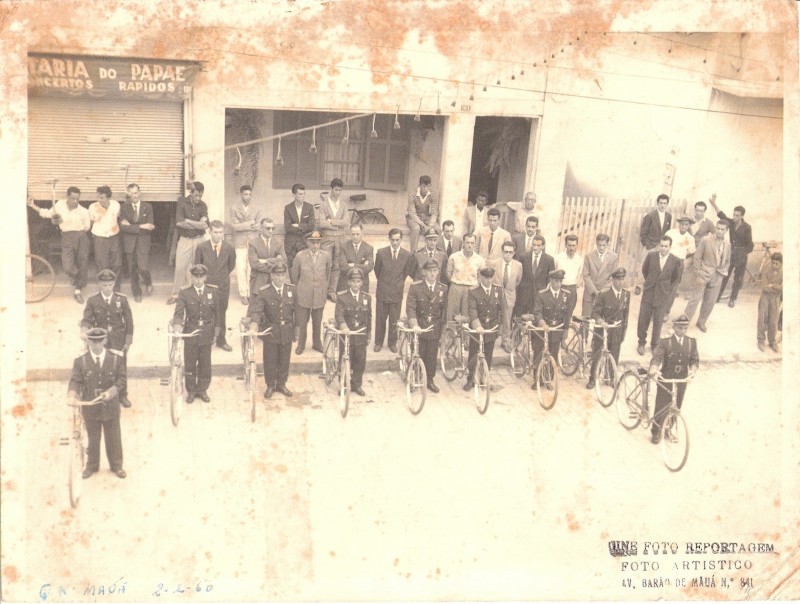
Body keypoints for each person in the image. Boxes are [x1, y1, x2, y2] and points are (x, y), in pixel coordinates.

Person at [68, 327, 127, 479]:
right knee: (92, 439)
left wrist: (111, 392)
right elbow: (75, 381)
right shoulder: (80, 361)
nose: (96, 345)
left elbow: (121, 380)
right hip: (91, 406)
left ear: (105, 341)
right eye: (92, 342)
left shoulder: (116, 359)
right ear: (87, 342)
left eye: (99, 342)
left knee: (113, 437)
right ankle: (92, 466)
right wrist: (72, 395)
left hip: (110, 406)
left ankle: (117, 466)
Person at [81, 269, 133, 408]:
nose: (107, 288)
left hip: (118, 340)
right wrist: (84, 331)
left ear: (114, 284)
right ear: (99, 285)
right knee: (104, 367)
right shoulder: (93, 301)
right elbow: (87, 319)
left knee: (121, 367)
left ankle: (122, 395)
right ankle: (105, 395)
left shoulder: (121, 300)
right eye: (104, 285)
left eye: (110, 285)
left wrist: (128, 341)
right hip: (101, 340)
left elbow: (129, 321)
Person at [28, 186, 90, 303]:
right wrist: (32, 205)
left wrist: (78, 235)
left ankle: (78, 290)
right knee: (67, 266)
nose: (75, 201)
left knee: (83, 262)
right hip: (66, 236)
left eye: (77, 199)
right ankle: (78, 277)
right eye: (73, 198)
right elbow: (46, 214)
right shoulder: (60, 205)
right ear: (67, 196)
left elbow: (87, 227)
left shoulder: (83, 211)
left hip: (81, 236)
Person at [171, 264, 223, 403]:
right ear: (191, 277)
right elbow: (179, 313)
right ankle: (191, 390)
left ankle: (202, 389)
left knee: (205, 363)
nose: (198, 280)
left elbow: (218, 314)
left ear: (205, 277)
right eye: (195, 277)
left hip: (207, 332)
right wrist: (177, 326)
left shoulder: (213, 292)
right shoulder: (185, 293)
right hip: (191, 332)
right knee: (190, 363)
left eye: (201, 277)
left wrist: (217, 332)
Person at [648, 314, 699, 444]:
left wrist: (692, 370)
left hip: (682, 378)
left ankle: (668, 428)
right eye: (680, 328)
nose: (683, 331)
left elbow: (694, 359)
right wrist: (654, 368)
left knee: (677, 404)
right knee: (662, 403)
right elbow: (657, 357)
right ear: (674, 327)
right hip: (667, 377)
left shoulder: (691, 342)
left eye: (685, 328)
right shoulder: (666, 341)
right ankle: (656, 430)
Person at [248, 264, 295, 398]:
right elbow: (257, 311)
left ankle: (281, 384)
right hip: (271, 330)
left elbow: (295, 312)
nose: (280, 278)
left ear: (285, 276)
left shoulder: (291, 290)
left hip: (286, 330)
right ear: (271, 276)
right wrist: (254, 325)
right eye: (276, 275)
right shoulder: (264, 292)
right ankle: (270, 385)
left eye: (282, 275)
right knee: (270, 359)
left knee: (284, 359)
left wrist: (296, 331)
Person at [405, 259, 448, 393]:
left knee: (431, 355)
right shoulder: (415, 287)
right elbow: (410, 308)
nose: (432, 274)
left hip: (434, 327)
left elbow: (444, 311)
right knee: (417, 353)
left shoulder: (442, 288)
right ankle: (414, 378)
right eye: (429, 271)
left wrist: (443, 331)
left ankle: (429, 379)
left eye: (435, 271)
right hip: (420, 325)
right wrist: (414, 324)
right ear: (424, 272)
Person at [194, 220, 236, 352]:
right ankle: (205, 340)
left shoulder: (229, 247)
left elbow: (231, 265)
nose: (219, 235)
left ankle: (221, 340)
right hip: (207, 286)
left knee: (221, 312)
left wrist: (220, 277)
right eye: (216, 232)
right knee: (205, 312)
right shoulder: (201, 247)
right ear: (209, 232)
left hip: (222, 286)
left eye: (221, 232)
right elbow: (198, 266)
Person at [637, 236, 682, 355]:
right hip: (649, 292)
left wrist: (666, 289)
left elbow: (675, 279)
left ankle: (654, 344)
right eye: (661, 245)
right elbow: (644, 270)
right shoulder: (651, 256)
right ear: (659, 245)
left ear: (670, 247)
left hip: (662, 295)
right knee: (643, 319)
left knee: (658, 321)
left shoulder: (675, 260)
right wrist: (650, 283)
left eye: (666, 246)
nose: (663, 248)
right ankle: (641, 342)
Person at [587, 267, 630, 389]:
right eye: (618, 280)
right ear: (613, 280)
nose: (620, 282)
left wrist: (623, 332)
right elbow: (594, 313)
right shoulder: (604, 294)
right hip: (603, 329)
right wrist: (601, 321)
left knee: (614, 355)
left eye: (622, 279)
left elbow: (625, 315)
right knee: (597, 354)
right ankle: (593, 378)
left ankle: (610, 378)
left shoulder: (626, 294)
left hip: (616, 330)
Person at [683, 221, 731, 332]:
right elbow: (697, 257)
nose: (719, 231)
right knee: (694, 300)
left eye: (722, 229)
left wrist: (722, 273)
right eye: (717, 228)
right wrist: (698, 272)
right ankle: (684, 324)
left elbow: (728, 260)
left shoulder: (727, 244)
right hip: (703, 274)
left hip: (717, 276)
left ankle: (701, 322)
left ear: (726, 231)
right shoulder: (706, 240)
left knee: (710, 302)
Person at [167, 181, 208, 305]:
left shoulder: (203, 205)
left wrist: (189, 221)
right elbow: (179, 223)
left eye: (200, 196)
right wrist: (197, 224)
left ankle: (196, 295)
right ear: (191, 193)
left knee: (198, 268)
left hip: (200, 240)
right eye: (196, 195)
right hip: (184, 240)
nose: (198, 198)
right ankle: (176, 295)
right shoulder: (182, 203)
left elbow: (205, 225)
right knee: (180, 268)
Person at [290, 231, 331, 355]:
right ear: (308, 242)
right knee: (302, 322)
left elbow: (327, 274)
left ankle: (317, 343)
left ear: (320, 243)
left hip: (319, 294)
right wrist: (297, 291)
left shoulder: (326, 256)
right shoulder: (300, 256)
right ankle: (301, 345)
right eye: (312, 242)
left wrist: (324, 289)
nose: (315, 245)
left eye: (317, 242)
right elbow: (294, 275)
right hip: (303, 294)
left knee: (317, 321)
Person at [463, 267, 504, 390]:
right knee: (474, 353)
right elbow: (472, 310)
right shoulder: (474, 292)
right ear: (481, 278)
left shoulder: (498, 290)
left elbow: (501, 311)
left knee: (488, 354)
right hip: (478, 328)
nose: (489, 280)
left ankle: (483, 376)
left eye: (491, 277)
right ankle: (470, 379)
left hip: (491, 328)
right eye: (486, 278)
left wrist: (500, 327)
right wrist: (477, 326)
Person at [374, 228, 414, 353]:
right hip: (383, 291)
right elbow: (377, 271)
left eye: (397, 240)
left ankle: (392, 343)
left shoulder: (407, 255)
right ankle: (378, 342)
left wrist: (397, 283)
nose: (395, 243)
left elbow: (405, 273)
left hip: (396, 292)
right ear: (389, 239)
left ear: (401, 239)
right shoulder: (381, 253)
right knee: (380, 319)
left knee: (394, 319)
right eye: (393, 240)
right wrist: (385, 283)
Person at [709, 197, 754, 308]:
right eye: (734, 214)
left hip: (741, 254)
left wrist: (743, 254)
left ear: (742, 216)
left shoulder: (747, 227)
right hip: (730, 253)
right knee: (724, 275)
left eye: (737, 215)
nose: (735, 217)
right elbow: (721, 215)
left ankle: (732, 299)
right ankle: (717, 297)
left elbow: (750, 244)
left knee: (738, 278)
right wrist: (714, 203)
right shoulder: (731, 223)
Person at [335, 268, 372, 396]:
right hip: (347, 334)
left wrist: (368, 334)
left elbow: (369, 317)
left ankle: (356, 385)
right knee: (345, 359)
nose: (356, 284)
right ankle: (343, 385)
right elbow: (339, 315)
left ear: (361, 283)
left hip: (360, 334)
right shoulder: (342, 297)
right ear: (349, 282)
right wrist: (344, 327)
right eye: (353, 281)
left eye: (358, 281)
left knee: (360, 360)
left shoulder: (366, 297)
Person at [532, 269, 571, 389]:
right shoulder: (542, 294)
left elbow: (567, 315)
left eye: (560, 281)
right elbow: (537, 312)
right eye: (555, 281)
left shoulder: (566, 295)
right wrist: (543, 324)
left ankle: (548, 379)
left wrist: (565, 332)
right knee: (539, 354)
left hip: (556, 330)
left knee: (553, 355)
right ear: (551, 281)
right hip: (543, 330)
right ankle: (537, 379)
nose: (558, 284)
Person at [118, 183, 155, 303]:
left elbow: (150, 226)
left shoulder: (148, 207)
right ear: (128, 195)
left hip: (143, 242)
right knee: (132, 269)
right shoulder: (124, 207)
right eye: (131, 193)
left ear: (140, 193)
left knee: (143, 267)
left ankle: (148, 281)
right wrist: (141, 226)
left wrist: (133, 227)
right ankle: (137, 293)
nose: (134, 195)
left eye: (136, 192)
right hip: (129, 243)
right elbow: (123, 228)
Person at [229, 184, 262, 305]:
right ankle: (243, 294)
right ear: (241, 194)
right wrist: (250, 223)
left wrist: (244, 224)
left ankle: (250, 293)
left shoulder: (257, 209)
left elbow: (258, 226)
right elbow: (235, 226)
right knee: (240, 268)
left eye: (249, 194)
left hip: (253, 242)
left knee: (251, 268)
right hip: (240, 242)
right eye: (245, 194)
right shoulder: (234, 208)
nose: (248, 196)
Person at [316, 179, 349, 300]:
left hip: (340, 238)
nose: (338, 192)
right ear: (331, 189)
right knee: (326, 264)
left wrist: (333, 221)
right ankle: (322, 291)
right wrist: (336, 225)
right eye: (336, 189)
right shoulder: (324, 205)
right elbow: (322, 223)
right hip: (327, 238)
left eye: (340, 190)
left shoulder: (344, 205)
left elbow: (346, 222)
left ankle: (332, 291)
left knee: (337, 265)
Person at [88, 185, 124, 292]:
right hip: (99, 238)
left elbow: (118, 217)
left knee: (117, 263)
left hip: (114, 236)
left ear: (108, 197)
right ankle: (104, 289)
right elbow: (90, 222)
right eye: (98, 197)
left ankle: (116, 289)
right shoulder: (93, 207)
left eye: (102, 198)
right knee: (102, 264)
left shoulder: (116, 205)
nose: (99, 200)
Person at [445, 233, 486, 323]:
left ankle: (466, 337)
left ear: (475, 244)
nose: (469, 245)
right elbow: (448, 273)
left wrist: (473, 287)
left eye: (472, 243)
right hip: (456, 287)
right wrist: (456, 283)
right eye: (467, 242)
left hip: (471, 289)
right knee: (451, 315)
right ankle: (451, 336)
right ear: (463, 243)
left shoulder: (479, 260)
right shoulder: (454, 257)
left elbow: (480, 277)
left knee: (467, 316)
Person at [490, 241, 522, 352]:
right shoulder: (495, 263)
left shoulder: (518, 265)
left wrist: (509, 288)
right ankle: (489, 340)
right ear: (502, 252)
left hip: (509, 294)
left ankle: (506, 341)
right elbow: (491, 278)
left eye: (510, 252)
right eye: (505, 252)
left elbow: (518, 280)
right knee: (492, 316)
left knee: (507, 319)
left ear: (514, 253)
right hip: (496, 293)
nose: (508, 254)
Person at [663, 215, 696, 319]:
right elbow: (663, 245)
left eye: (686, 224)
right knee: (662, 286)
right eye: (682, 224)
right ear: (679, 224)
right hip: (667, 260)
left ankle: (666, 312)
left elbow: (691, 252)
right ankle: (657, 310)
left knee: (673, 289)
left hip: (679, 263)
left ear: (689, 225)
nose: (684, 226)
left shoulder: (690, 238)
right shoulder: (671, 233)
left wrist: (682, 262)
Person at [637, 194, 672, 291]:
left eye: (665, 203)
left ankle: (653, 286)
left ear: (667, 204)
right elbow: (643, 232)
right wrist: (646, 244)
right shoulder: (650, 216)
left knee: (658, 266)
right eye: (661, 203)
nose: (662, 205)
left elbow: (667, 232)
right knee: (645, 265)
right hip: (650, 245)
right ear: (657, 203)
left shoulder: (669, 216)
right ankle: (639, 286)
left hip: (661, 246)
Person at [514, 235, 554, 317]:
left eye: (538, 245)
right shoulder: (523, 257)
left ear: (543, 246)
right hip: (523, 295)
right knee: (519, 320)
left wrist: (544, 292)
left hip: (538, 295)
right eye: (534, 245)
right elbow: (518, 275)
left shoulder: (549, 259)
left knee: (536, 320)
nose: (535, 247)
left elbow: (550, 279)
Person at [581, 233, 619, 317]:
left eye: (604, 245)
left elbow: (614, 277)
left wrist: (602, 291)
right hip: (590, 293)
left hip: (605, 294)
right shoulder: (589, 256)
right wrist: (594, 291)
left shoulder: (613, 257)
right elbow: (586, 275)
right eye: (599, 245)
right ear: (596, 244)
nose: (601, 247)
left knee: (600, 321)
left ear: (608, 245)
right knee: (586, 319)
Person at [248, 218, 288, 293]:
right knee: (257, 303)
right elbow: (254, 264)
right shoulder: (253, 243)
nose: (271, 231)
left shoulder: (278, 243)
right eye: (268, 228)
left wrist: (265, 261)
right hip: (258, 281)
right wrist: (275, 262)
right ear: (261, 229)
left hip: (274, 281)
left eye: (273, 228)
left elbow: (283, 260)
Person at [283, 183, 315, 268]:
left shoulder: (309, 207)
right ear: (294, 195)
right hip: (291, 244)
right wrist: (304, 227)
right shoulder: (288, 208)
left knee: (305, 268)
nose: (303, 196)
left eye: (304, 194)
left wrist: (298, 225)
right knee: (292, 268)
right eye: (300, 194)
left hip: (304, 242)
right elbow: (288, 227)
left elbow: (311, 226)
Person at [336, 224, 374, 294]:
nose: (355, 237)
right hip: (345, 284)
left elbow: (369, 267)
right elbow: (343, 266)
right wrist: (361, 265)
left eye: (357, 234)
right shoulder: (343, 247)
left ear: (362, 233)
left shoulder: (368, 248)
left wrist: (353, 264)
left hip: (362, 285)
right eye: (353, 234)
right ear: (350, 234)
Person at [406, 175, 440, 253]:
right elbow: (412, 212)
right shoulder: (412, 193)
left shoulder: (433, 194)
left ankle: (437, 253)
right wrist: (423, 225)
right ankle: (413, 253)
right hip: (414, 217)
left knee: (438, 229)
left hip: (428, 218)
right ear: (419, 185)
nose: (426, 189)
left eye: (428, 186)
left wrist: (430, 226)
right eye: (424, 186)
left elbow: (434, 213)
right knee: (416, 228)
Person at [757, 253, 782, 353]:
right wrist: (776, 287)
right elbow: (764, 287)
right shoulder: (766, 270)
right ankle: (761, 340)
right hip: (765, 298)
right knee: (762, 319)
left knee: (773, 321)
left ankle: (772, 341)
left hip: (776, 299)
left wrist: (773, 285)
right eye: (773, 263)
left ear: (781, 264)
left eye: (777, 263)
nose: (774, 265)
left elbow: (783, 287)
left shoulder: (783, 273)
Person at [554, 234, 583, 323]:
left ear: (577, 245)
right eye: (569, 245)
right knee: (557, 313)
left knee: (568, 315)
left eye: (574, 245)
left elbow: (580, 276)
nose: (571, 248)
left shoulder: (579, 260)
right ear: (565, 245)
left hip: (572, 290)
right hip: (560, 288)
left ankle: (564, 336)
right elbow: (554, 273)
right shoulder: (558, 258)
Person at [436, 220, 462, 285]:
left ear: (454, 229)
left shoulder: (458, 240)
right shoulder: (437, 242)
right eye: (447, 231)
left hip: (454, 275)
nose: (449, 233)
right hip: (441, 276)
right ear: (442, 230)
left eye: (451, 231)